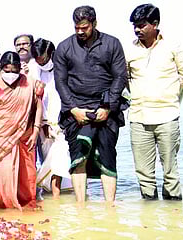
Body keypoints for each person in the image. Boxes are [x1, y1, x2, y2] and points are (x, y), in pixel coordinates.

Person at [54, 5, 128, 204]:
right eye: (77, 27)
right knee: (79, 157)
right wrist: (74, 109)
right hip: (76, 110)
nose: (80, 31)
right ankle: (81, 207)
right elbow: (60, 82)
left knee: (107, 157)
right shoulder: (64, 47)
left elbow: (120, 76)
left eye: (84, 27)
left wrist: (108, 107)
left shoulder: (112, 44)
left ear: (94, 23)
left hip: (106, 109)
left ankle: (111, 207)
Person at [127, 4, 183, 200]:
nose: (137, 29)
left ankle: (174, 217)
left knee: (170, 172)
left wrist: (171, 99)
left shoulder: (173, 46)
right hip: (139, 117)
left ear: (155, 24)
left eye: (142, 25)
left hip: (168, 117)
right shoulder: (129, 50)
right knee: (144, 175)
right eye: (135, 26)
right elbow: (125, 79)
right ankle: (149, 216)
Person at [0, 51, 43, 210]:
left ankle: (24, 215)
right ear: (1, 68)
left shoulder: (31, 83)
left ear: (20, 68)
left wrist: (36, 130)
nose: (11, 74)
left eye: (14, 71)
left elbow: (38, 107)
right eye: (7, 70)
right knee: (1, 180)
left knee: (25, 182)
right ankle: (3, 212)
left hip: (24, 138)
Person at [31, 38, 72, 198]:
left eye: (44, 59)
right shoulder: (34, 69)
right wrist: (42, 124)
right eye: (38, 60)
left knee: (60, 161)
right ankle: (51, 198)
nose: (42, 63)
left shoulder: (64, 67)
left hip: (64, 123)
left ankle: (58, 196)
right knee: (47, 161)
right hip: (44, 125)